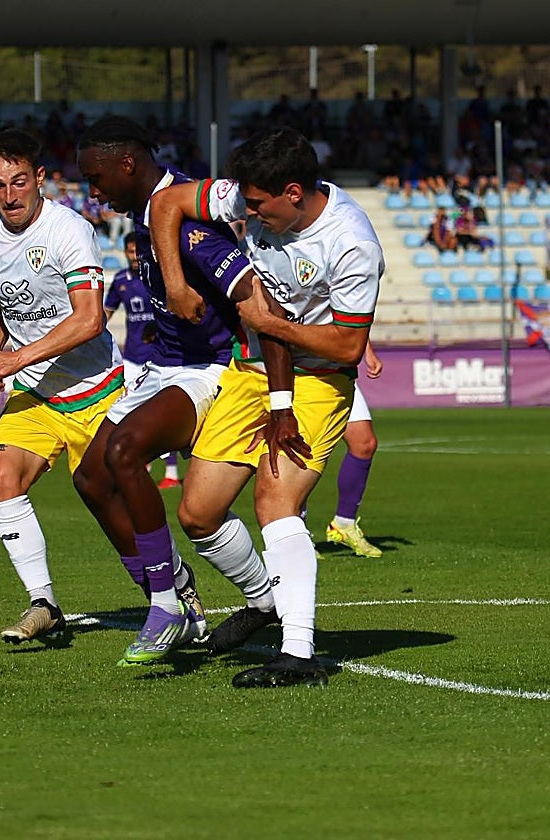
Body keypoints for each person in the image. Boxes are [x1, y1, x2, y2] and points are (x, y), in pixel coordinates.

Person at [150, 126, 382, 688]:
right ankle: (266, 599)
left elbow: (349, 346)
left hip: (321, 378)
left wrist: (273, 324)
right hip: (254, 371)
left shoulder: (350, 244)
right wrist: (177, 284)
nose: (246, 215)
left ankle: (299, 654)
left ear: (294, 193)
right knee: (197, 512)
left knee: (275, 498)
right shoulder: (250, 196)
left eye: (257, 207)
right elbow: (166, 203)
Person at [72, 115, 287, 668]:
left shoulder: (187, 219)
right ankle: (195, 594)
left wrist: (282, 386)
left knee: (125, 455)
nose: (92, 193)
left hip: (210, 370)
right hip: (159, 368)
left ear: (127, 164)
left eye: (96, 179)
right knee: (91, 479)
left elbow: (249, 291)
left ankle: (166, 603)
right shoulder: (144, 217)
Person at [0, 128, 125, 647]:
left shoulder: (68, 230)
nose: (9, 196)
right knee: (1, 478)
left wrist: (14, 358)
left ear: (39, 179)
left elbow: (90, 320)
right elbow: (6, 297)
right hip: (36, 392)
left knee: (117, 510)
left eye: (18, 182)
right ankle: (44, 603)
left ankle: (175, 594)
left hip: (97, 388)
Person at [102, 232, 183, 491]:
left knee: (165, 416)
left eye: (136, 251)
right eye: (128, 251)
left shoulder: (158, 276)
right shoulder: (121, 281)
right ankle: (140, 465)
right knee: (130, 412)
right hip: (133, 359)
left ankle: (171, 472)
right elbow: (106, 313)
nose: (133, 256)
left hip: (162, 357)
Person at [325, 342, 385, 558]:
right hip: (299, 370)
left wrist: (367, 352)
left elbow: (349, 309)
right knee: (303, 448)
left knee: (364, 443)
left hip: (337, 369)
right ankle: (296, 532)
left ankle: (344, 524)